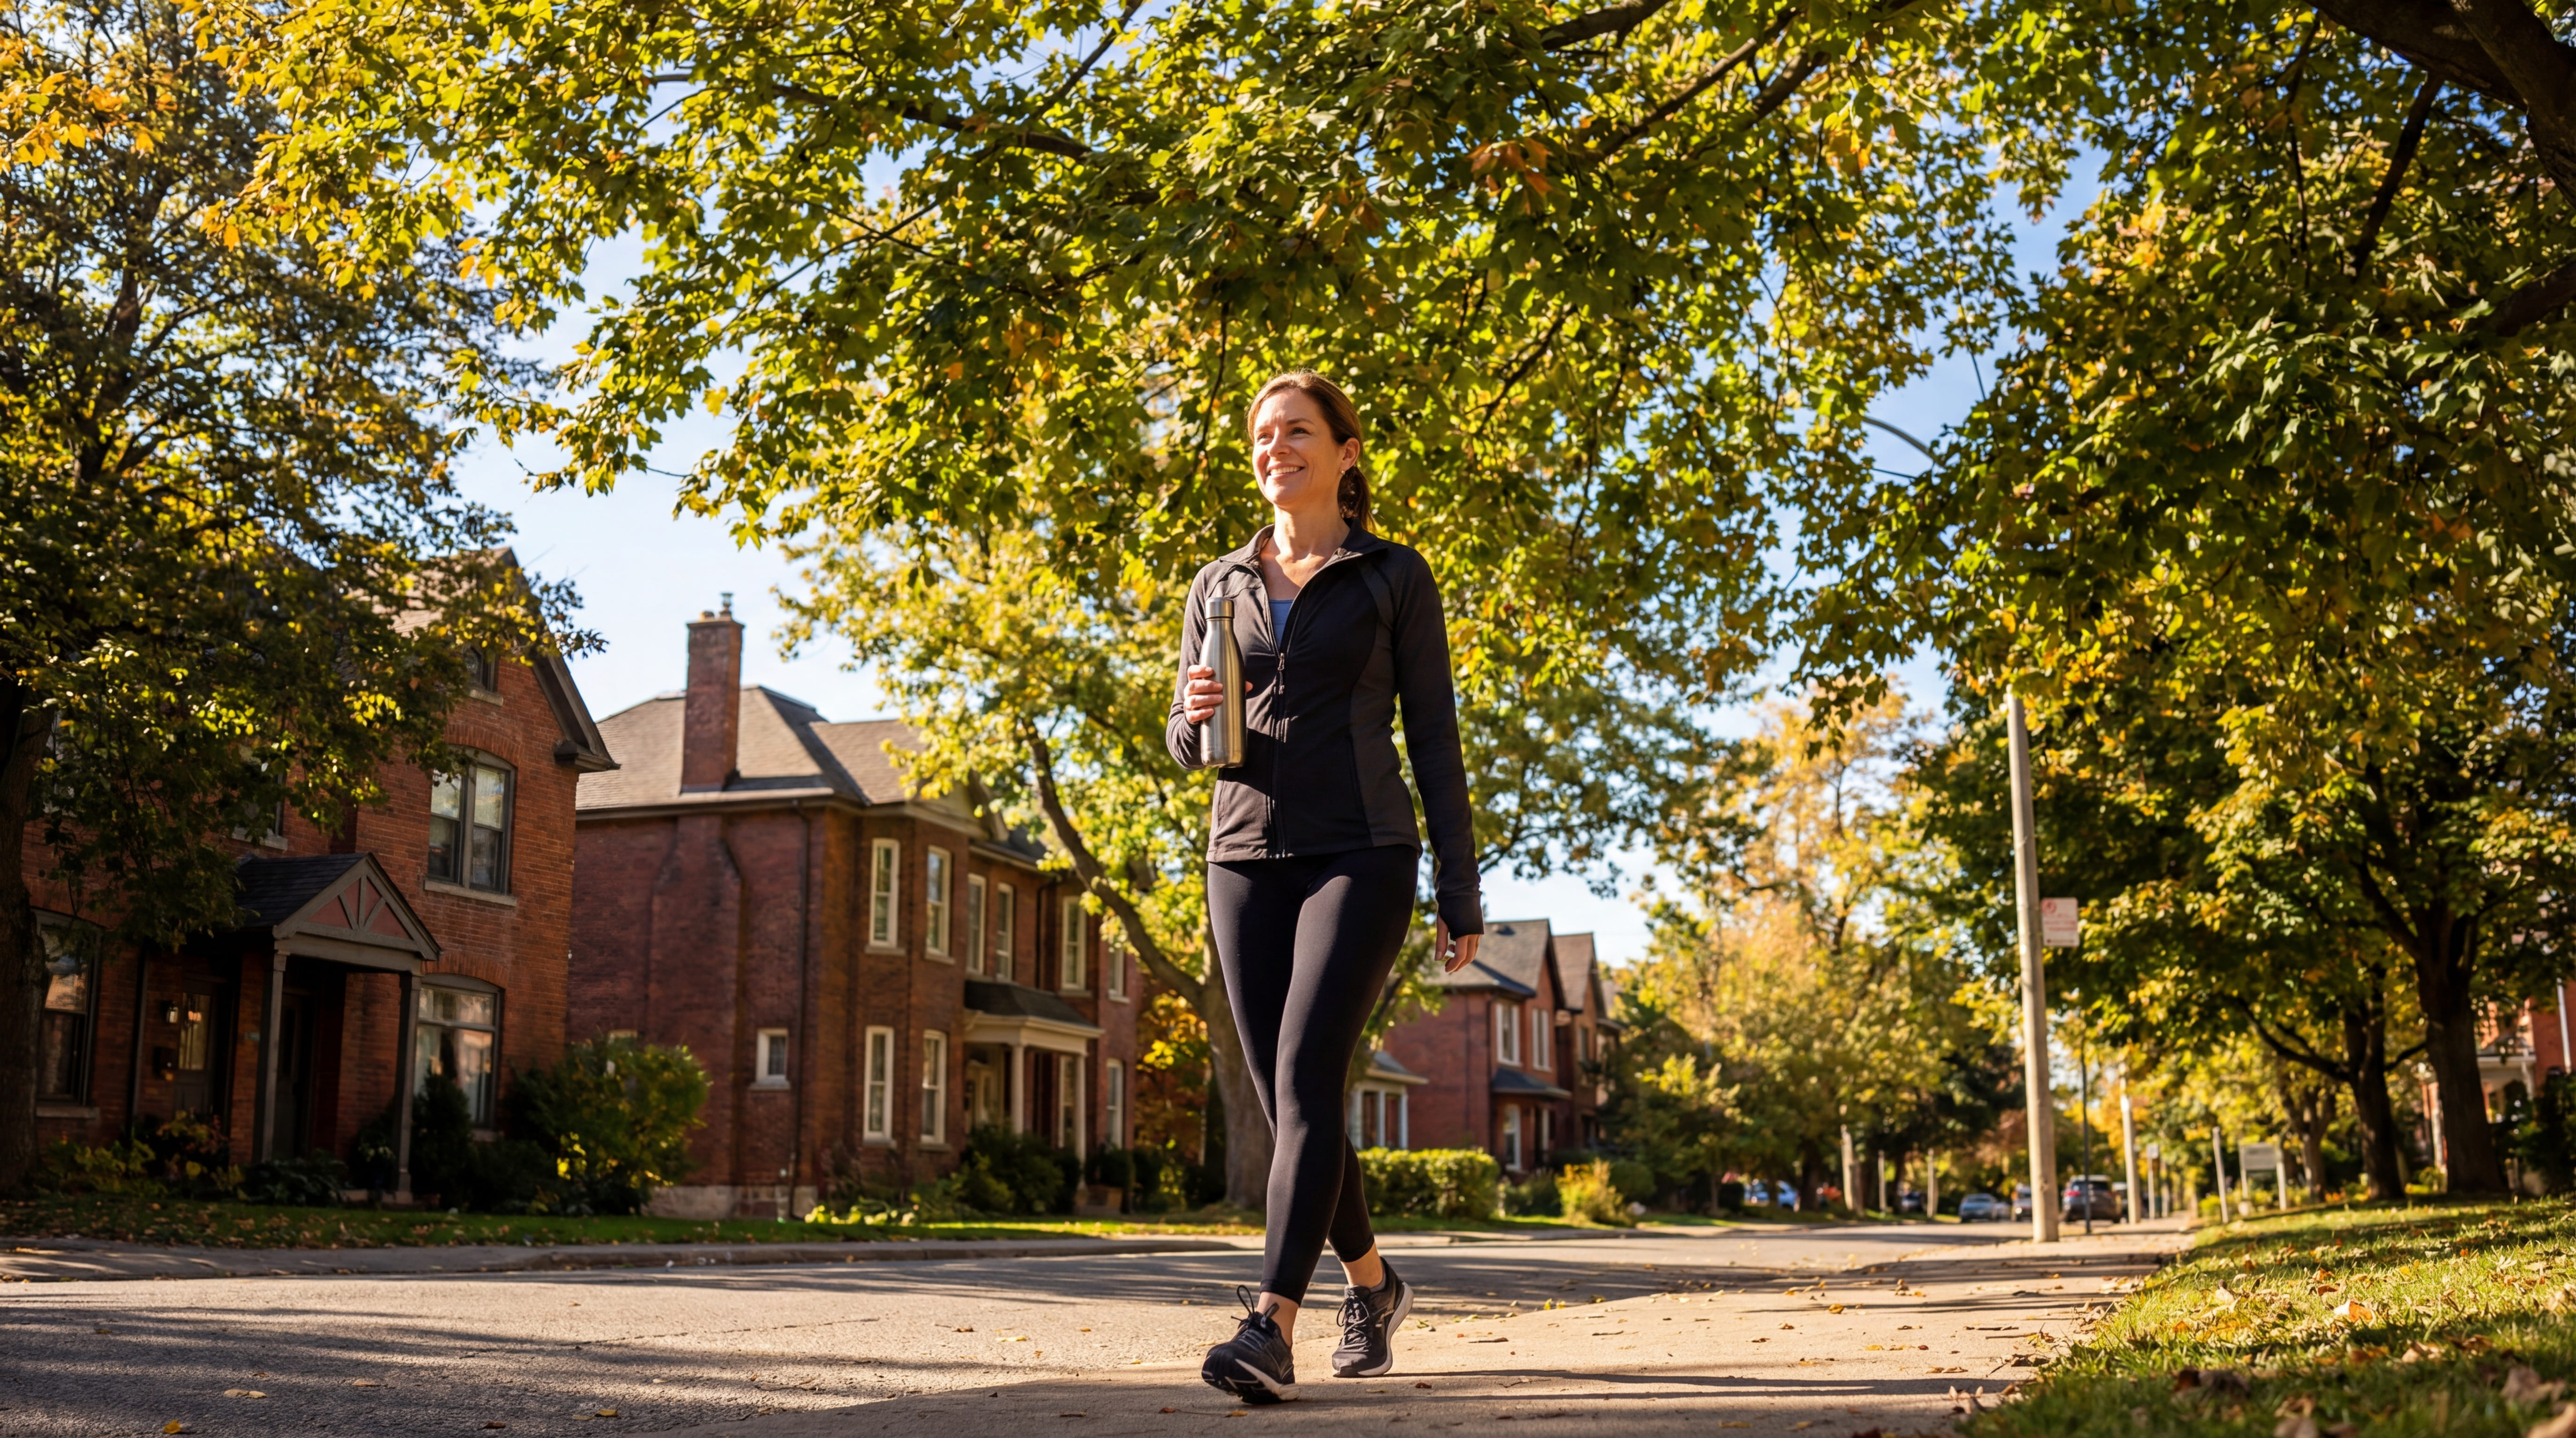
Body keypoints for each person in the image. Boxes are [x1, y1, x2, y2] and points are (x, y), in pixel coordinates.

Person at [1166, 370, 1483, 1404]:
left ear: (1346, 451)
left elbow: (1432, 740)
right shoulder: (1218, 585)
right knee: (1288, 1101)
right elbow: (1187, 737)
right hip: (1243, 854)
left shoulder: (1392, 576)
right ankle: (1376, 1285)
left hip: (1364, 850)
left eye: (1297, 431)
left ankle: (1269, 1325)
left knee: (1307, 1079)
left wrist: (1459, 887)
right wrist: (1191, 714)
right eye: (1262, 436)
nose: (1275, 449)